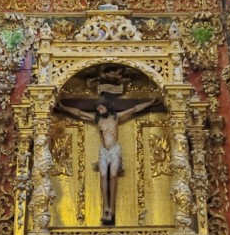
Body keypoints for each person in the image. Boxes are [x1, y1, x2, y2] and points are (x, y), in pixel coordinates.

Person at [55, 95, 159, 225]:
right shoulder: (98, 120)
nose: (99, 110)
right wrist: (64, 108)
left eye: (101, 107)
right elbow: (79, 113)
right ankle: (106, 208)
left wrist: (150, 102)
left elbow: (135, 109)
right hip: (104, 151)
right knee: (103, 176)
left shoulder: (116, 117)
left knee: (113, 175)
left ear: (107, 107)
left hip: (115, 150)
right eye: (98, 108)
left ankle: (112, 209)